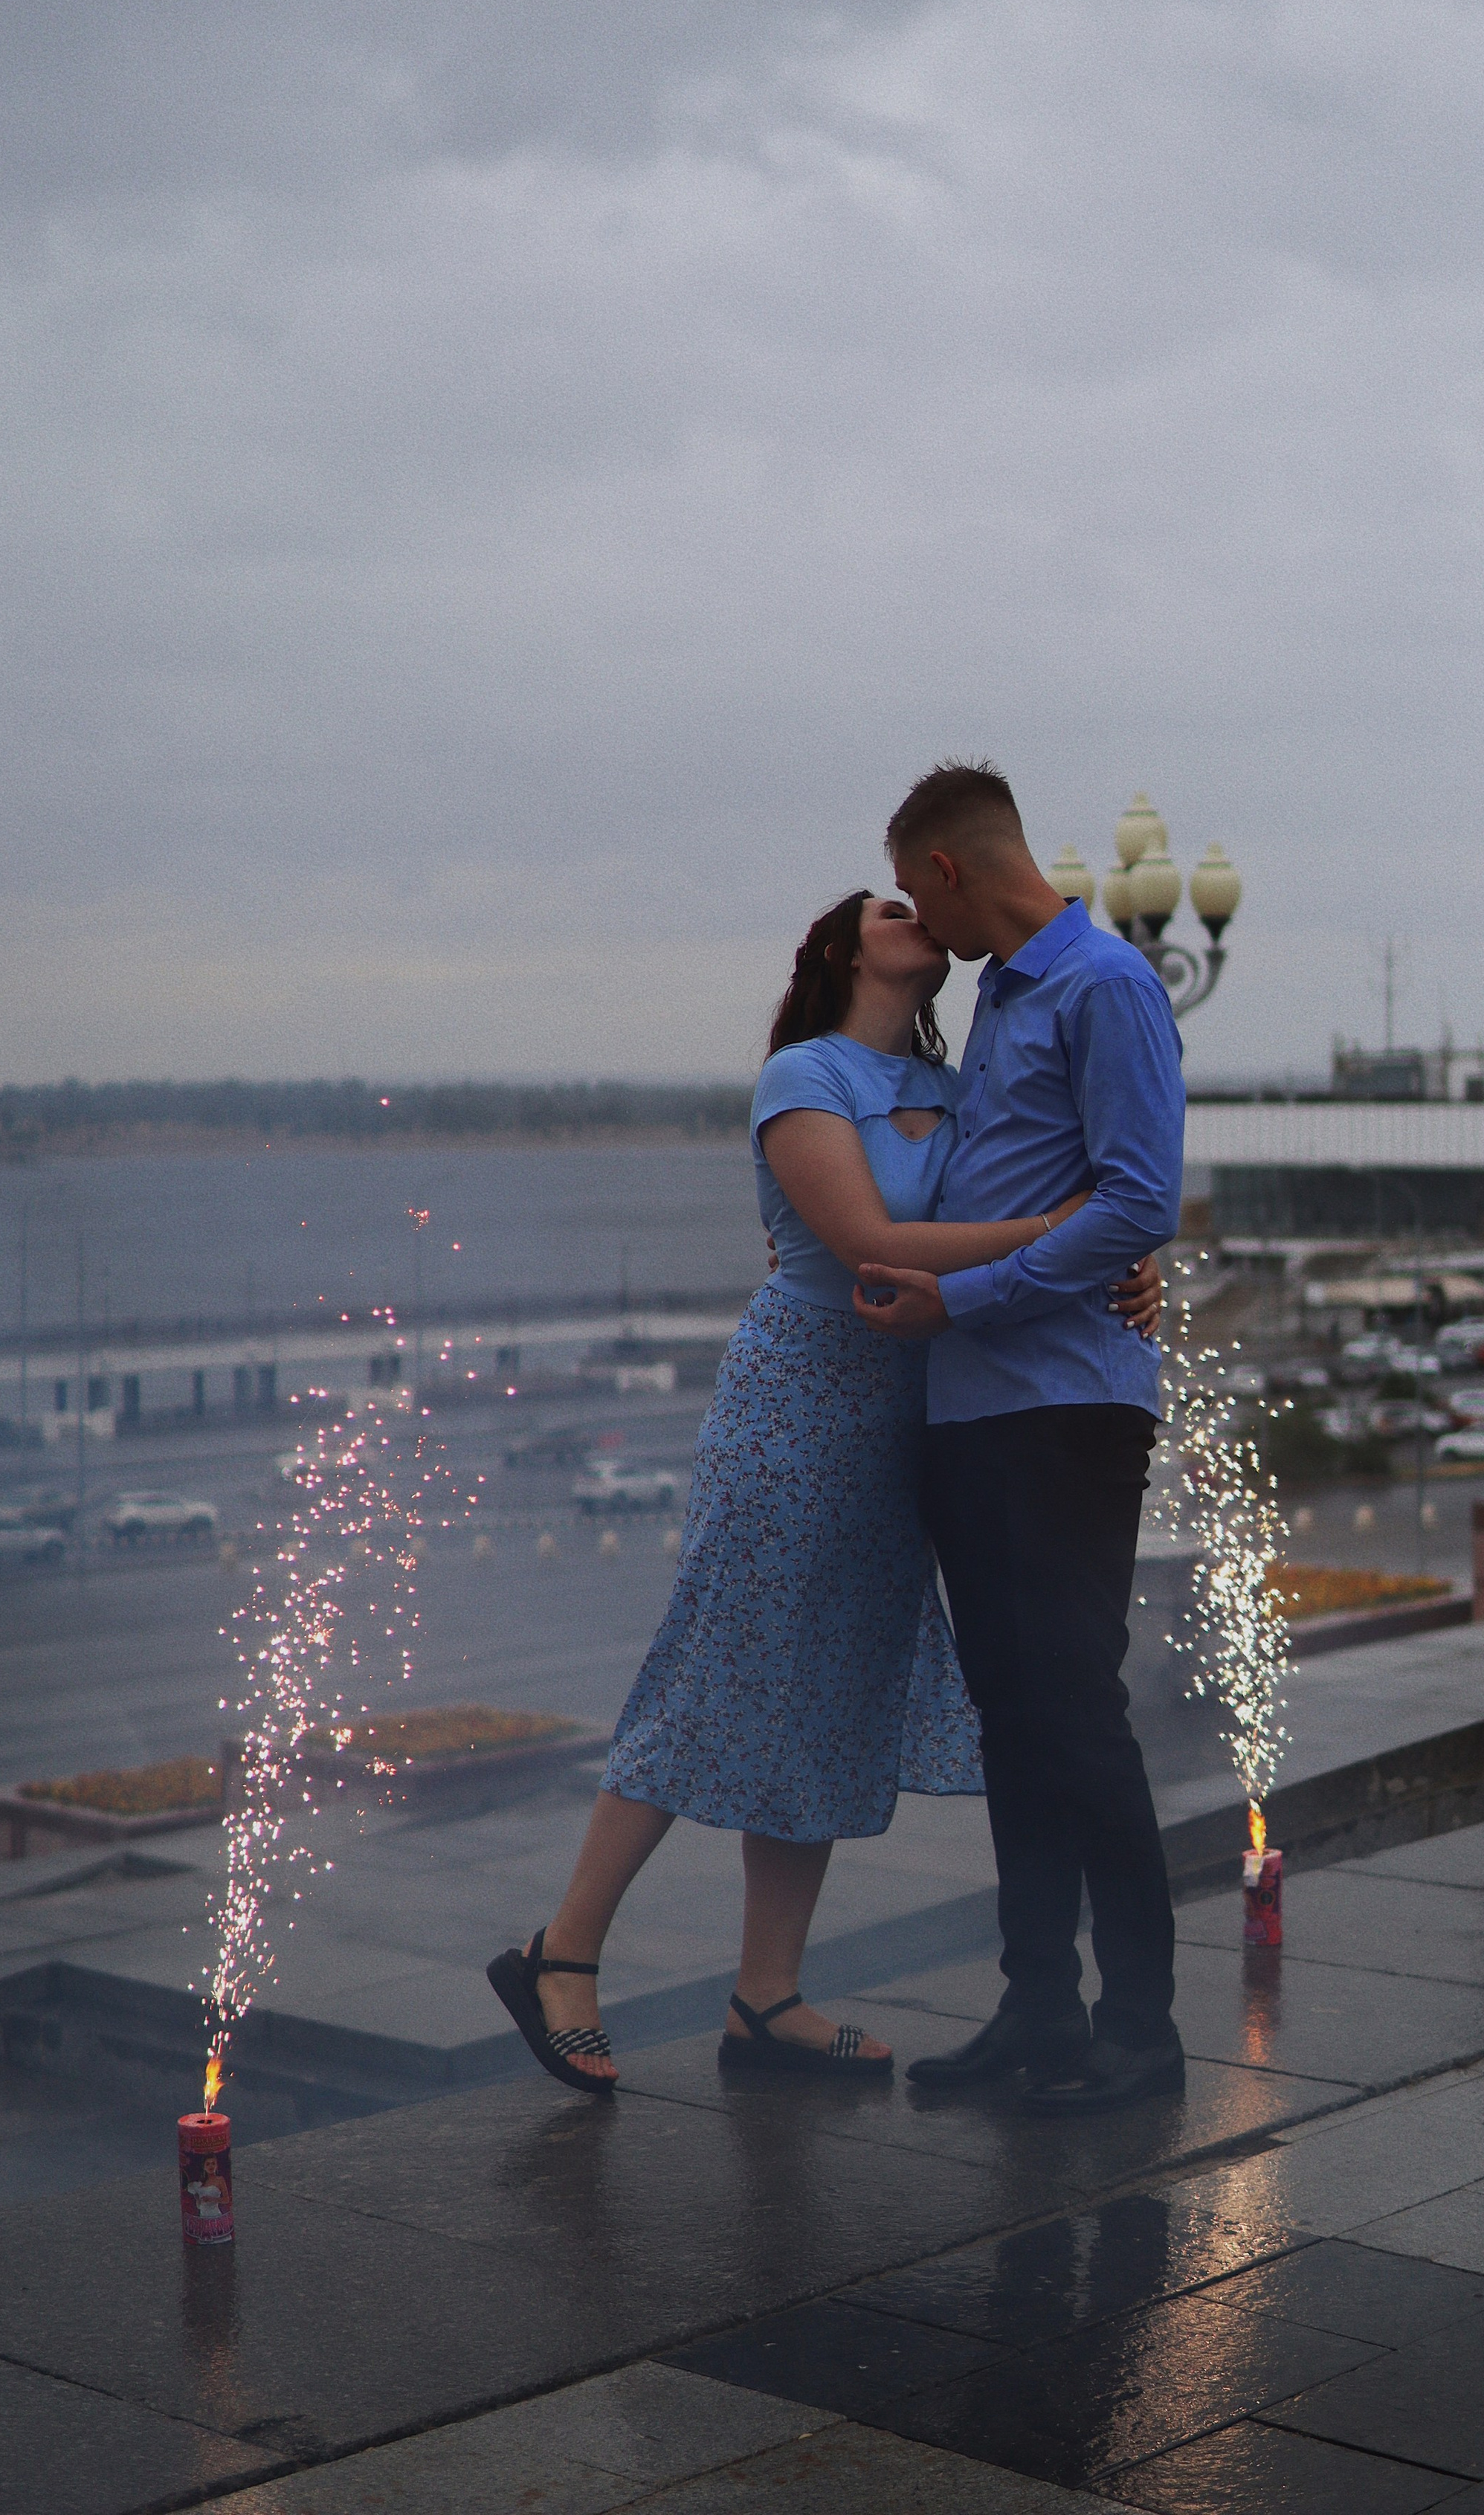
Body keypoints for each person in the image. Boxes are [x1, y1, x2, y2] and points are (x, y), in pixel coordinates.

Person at [488, 885, 1164, 2095]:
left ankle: (767, 1997)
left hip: (920, 1418)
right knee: (719, 1666)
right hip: (796, 1407)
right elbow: (870, 1246)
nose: (918, 915)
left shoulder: (958, 1093)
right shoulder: (803, 1077)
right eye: (890, 903)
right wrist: (1079, 1228)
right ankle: (562, 1951)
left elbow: (1031, 1195)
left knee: (824, 1692)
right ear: (844, 949)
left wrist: (1124, 1251)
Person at [854, 759, 1187, 2115]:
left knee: (1077, 1719)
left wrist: (968, 1296)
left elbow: (1139, 1200)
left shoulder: (1105, 985)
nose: (923, 931)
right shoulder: (1001, 995)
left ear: (943, 870)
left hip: (1062, 1407)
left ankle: (1145, 2029)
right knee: (1016, 1726)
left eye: (917, 897)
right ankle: (1040, 2006)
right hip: (976, 1411)